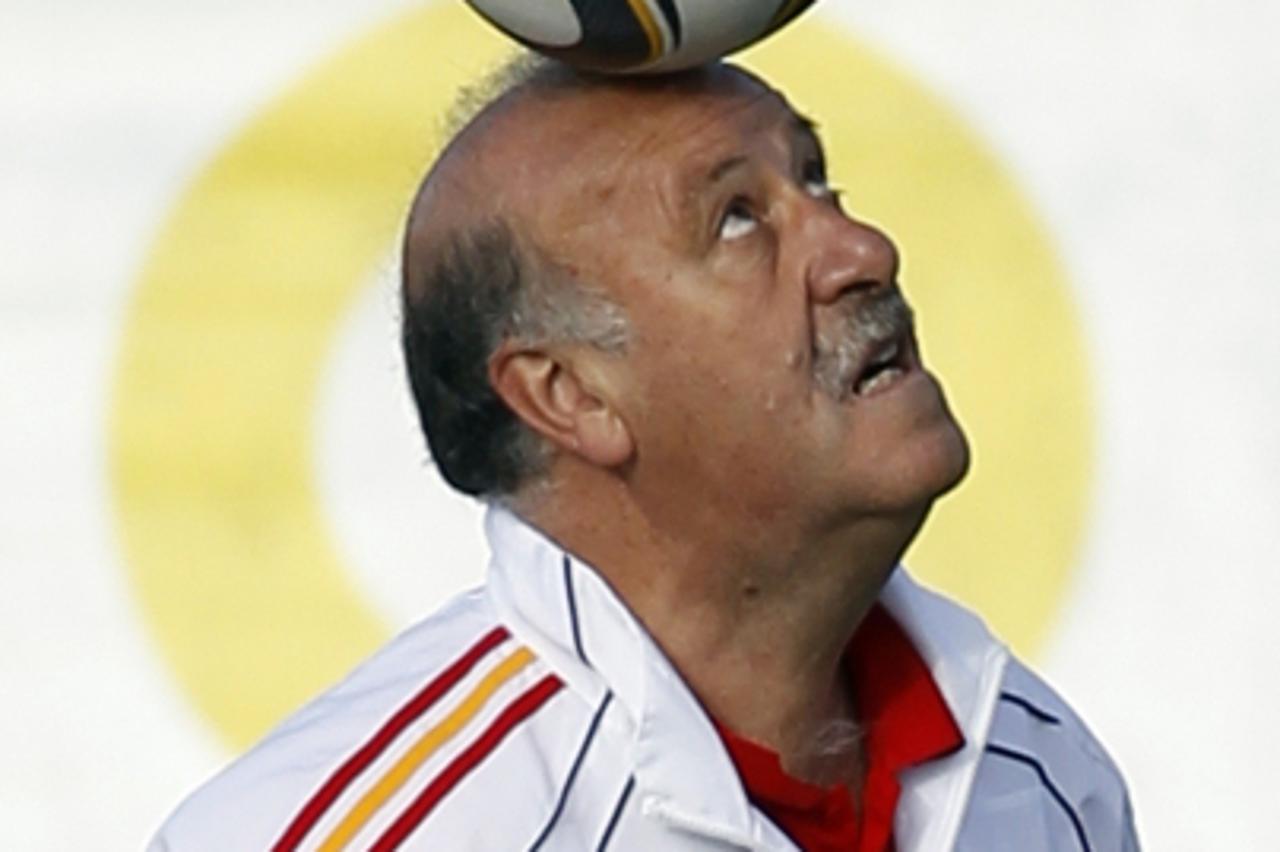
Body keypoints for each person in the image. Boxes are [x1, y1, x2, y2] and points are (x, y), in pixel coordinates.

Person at [151, 57, 1138, 851]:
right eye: (737, 219)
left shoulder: (1039, 776)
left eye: (815, 178)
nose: (860, 249)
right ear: (568, 396)